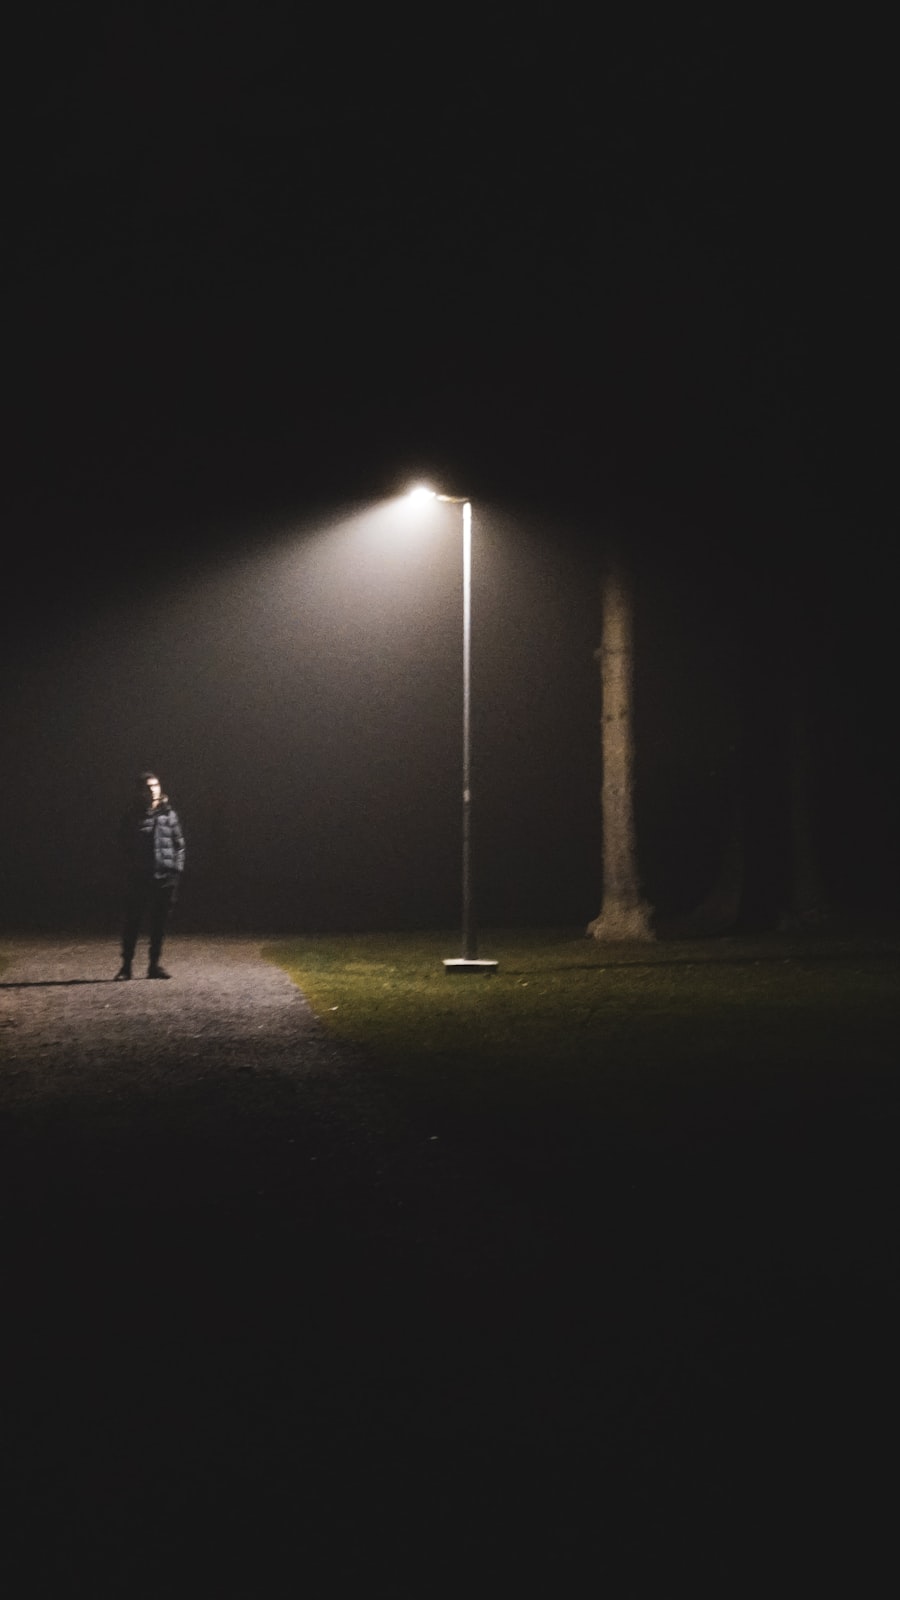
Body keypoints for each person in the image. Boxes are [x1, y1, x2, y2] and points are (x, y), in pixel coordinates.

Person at [115, 771, 186, 980]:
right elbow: (123, 846)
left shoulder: (169, 814)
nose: (153, 790)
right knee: (133, 922)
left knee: (159, 924)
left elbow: (179, 844)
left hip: (165, 877)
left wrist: (176, 870)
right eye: (148, 787)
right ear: (140, 792)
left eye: (155, 785)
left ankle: (154, 965)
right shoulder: (131, 816)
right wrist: (129, 870)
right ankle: (126, 966)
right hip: (139, 877)